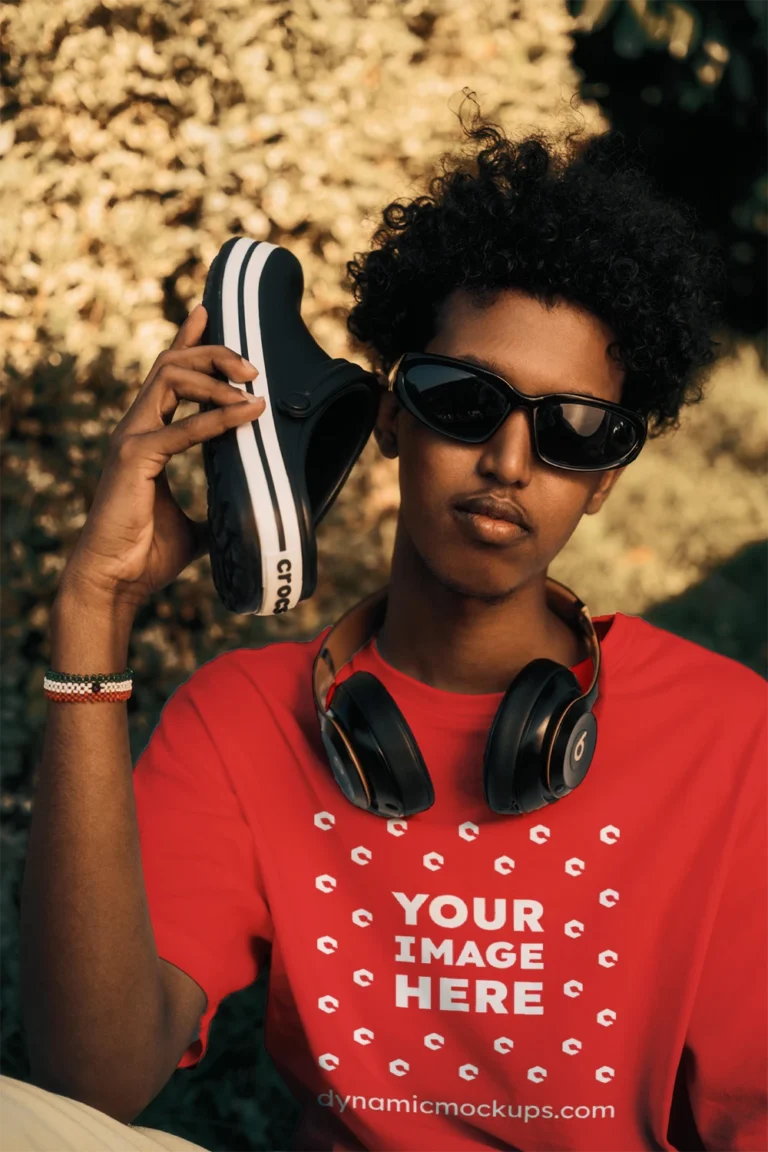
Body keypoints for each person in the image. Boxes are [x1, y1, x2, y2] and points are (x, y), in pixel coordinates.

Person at [12, 106, 768, 1152]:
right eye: (464, 400)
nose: (509, 461)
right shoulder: (244, 722)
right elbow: (86, 1083)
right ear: (391, 415)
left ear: (604, 482)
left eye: (573, 430)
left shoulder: (731, 735)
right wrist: (93, 611)